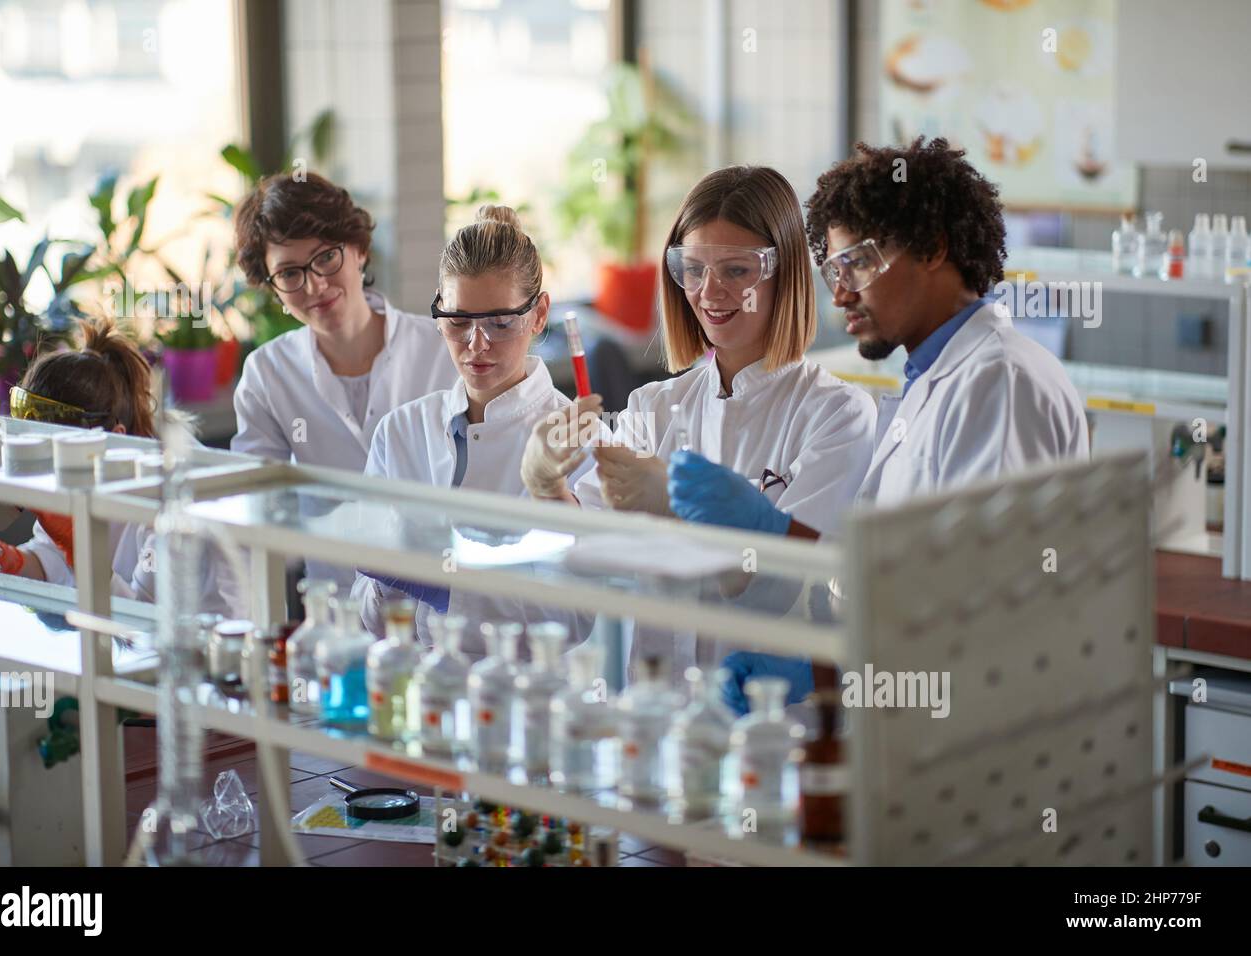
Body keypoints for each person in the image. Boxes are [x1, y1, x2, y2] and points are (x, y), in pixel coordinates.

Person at [667, 138, 1089, 708]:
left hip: (985, 734)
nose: (840, 292)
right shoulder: (933, 381)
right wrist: (821, 669)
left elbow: (981, 605)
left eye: (857, 264)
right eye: (834, 269)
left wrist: (777, 540)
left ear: (935, 249)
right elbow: (907, 586)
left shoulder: (999, 381)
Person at [520, 165, 878, 688]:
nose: (709, 292)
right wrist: (548, 485)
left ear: (786, 274)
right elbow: (586, 556)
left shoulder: (837, 414)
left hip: (768, 716)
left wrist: (678, 504)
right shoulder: (653, 407)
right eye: (692, 268)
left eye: (736, 270)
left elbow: (782, 592)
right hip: (656, 711)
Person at [351, 205, 591, 653]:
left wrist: (443, 587)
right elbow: (364, 621)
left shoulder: (580, 443)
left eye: (500, 323)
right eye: (458, 322)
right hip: (413, 696)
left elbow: (576, 622)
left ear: (539, 315)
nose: (476, 345)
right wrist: (386, 584)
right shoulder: (401, 431)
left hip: (523, 707)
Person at [231, 172, 456, 590]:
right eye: (289, 273)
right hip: (332, 612)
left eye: (325, 257)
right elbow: (257, 508)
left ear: (359, 250)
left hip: (442, 604)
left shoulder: (444, 349)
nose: (315, 284)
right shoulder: (268, 373)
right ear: (271, 286)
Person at [0, 318, 241, 616]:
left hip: (214, 652)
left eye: (54, 449)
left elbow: (143, 623)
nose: (41, 462)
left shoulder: (170, 498)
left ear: (113, 440)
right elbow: (49, 561)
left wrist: (79, 549)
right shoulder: (78, 469)